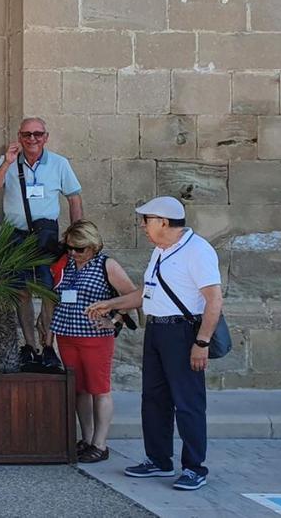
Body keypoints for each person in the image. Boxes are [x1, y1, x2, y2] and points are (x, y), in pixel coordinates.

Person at [88, 197, 223, 491]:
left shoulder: (198, 251)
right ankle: (159, 460)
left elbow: (214, 300)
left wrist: (202, 342)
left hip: (184, 333)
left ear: (163, 222)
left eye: (146, 220)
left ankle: (194, 467)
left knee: (188, 403)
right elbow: (144, 295)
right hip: (157, 331)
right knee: (154, 399)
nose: (142, 226)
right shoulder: (160, 252)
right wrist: (110, 303)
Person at [0, 116, 83, 369]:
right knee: (21, 292)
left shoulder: (59, 163)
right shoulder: (8, 161)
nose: (32, 139)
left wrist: (76, 234)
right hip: (16, 235)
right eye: (27, 134)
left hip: (46, 234)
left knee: (49, 291)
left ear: (45, 137)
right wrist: (6, 163)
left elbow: (74, 198)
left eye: (37, 134)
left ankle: (48, 345)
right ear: (19, 137)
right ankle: (30, 344)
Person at [48, 220, 138, 464]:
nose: (74, 253)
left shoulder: (106, 264)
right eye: (70, 248)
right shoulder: (68, 264)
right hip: (67, 334)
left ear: (93, 246)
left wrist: (116, 320)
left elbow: (133, 296)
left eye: (80, 249)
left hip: (95, 338)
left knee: (99, 389)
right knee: (79, 390)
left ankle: (100, 443)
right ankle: (86, 439)